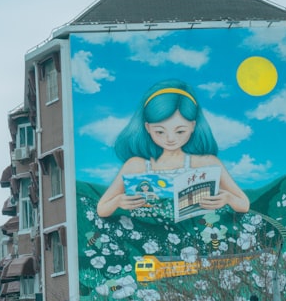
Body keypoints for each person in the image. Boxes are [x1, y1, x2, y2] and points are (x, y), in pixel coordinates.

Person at [97, 79, 249, 218]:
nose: (170, 139)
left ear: (193, 126)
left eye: (180, 131)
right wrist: (118, 201)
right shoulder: (136, 165)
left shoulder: (207, 162)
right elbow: (101, 208)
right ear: (148, 128)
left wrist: (227, 198)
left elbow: (244, 204)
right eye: (160, 132)